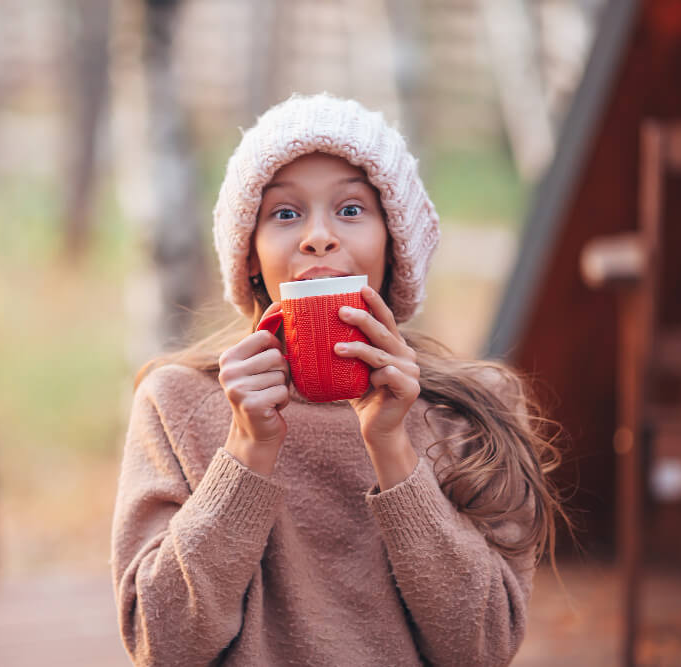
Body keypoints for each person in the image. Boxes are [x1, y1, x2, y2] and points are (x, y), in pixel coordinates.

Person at [110, 93, 568, 666]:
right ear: (249, 254)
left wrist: (393, 450)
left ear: (392, 244)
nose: (318, 237)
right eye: (284, 213)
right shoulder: (178, 404)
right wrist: (247, 452)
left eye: (351, 209)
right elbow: (163, 645)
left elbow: (483, 647)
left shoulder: (475, 411)